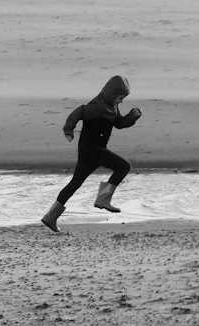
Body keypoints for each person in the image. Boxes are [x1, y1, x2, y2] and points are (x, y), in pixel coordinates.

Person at [41, 75, 142, 232]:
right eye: (120, 98)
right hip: (92, 150)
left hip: (91, 151)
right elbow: (79, 112)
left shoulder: (112, 108)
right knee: (124, 167)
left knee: (75, 183)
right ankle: (103, 199)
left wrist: (132, 116)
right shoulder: (97, 106)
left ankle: (50, 217)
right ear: (112, 94)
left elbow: (119, 124)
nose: (121, 101)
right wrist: (69, 129)